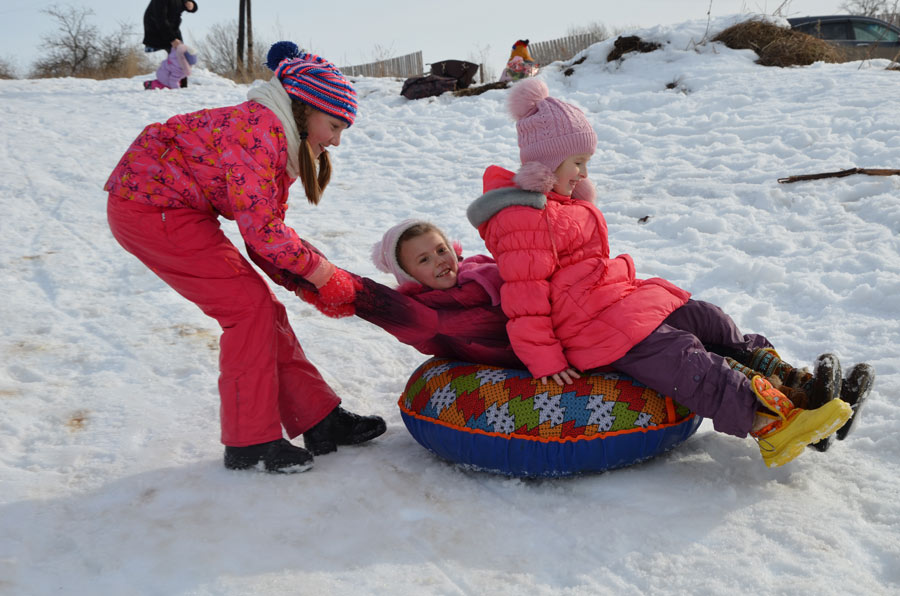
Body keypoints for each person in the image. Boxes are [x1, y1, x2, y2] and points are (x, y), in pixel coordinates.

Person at [463, 78, 853, 468]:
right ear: (547, 164)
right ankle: (769, 422)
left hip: (612, 303)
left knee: (706, 318)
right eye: (577, 163)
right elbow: (524, 297)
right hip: (587, 329)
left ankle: (794, 384)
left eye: (586, 162)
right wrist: (545, 359)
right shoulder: (523, 218)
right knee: (679, 354)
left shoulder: (564, 205)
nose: (583, 172)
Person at [104, 41, 385, 474]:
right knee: (248, 310)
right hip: (150, 209)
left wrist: (304, 280)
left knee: (263, 309)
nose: (336, 140)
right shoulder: (258, 132)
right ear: (305, 110)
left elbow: (265, 234)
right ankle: (250, 443)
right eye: (334, 125)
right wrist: (325, 275)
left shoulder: (277, 137)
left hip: (172, 210)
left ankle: (319, 419)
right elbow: (264, 233)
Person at [142, 0, 198, 87]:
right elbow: (160, 19)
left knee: (182, 57)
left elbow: (187, 4)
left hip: (172, 29)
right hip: (158, 30)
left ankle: (180, 86)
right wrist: (172, 39)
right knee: (178, 59)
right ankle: (166, 84)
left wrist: (192, 5)